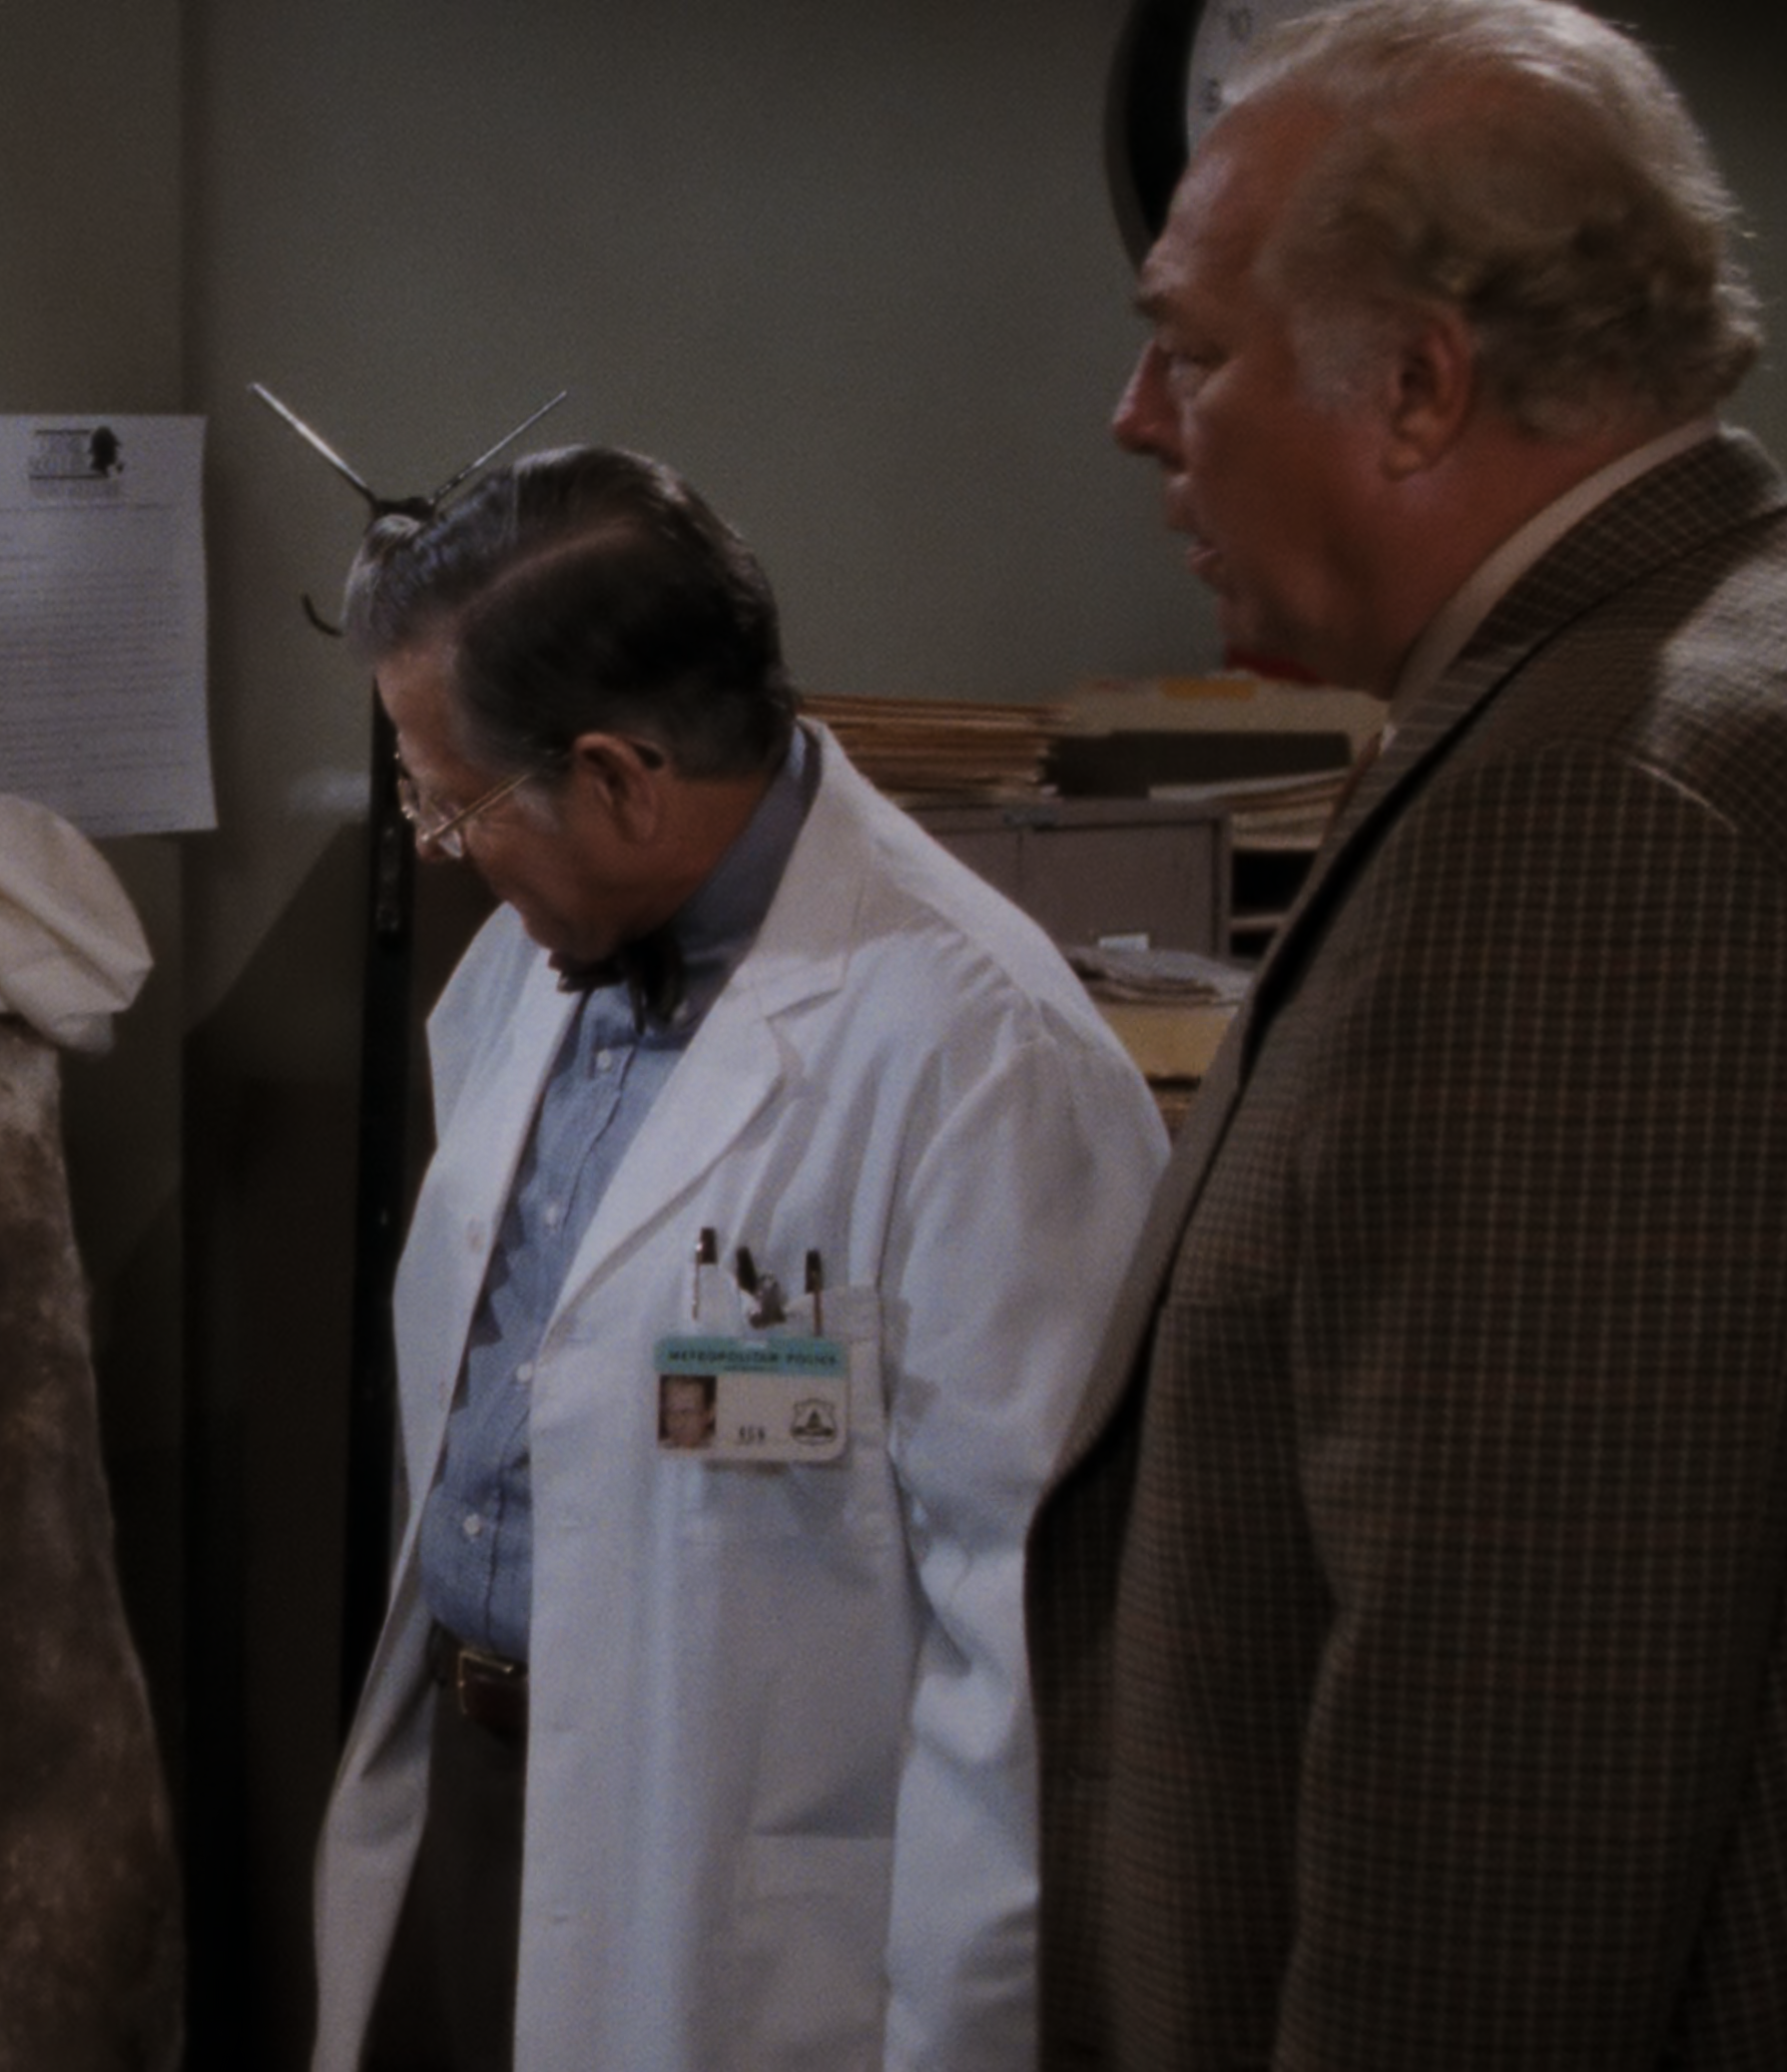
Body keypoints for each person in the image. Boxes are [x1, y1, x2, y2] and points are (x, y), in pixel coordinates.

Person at [1032, 3, 1787, 2064]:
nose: (1137, 420)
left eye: (1193, 348)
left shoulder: (1608, 814)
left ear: (1417, 386)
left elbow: (1503, 1833)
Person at [307, 445, 1167, 2071]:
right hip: (470, 1815)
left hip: (745, 1919)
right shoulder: (526, 972)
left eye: (454, 801)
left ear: (623, 781)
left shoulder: (985, 1059)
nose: (435, 844)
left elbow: (1032, 1668)